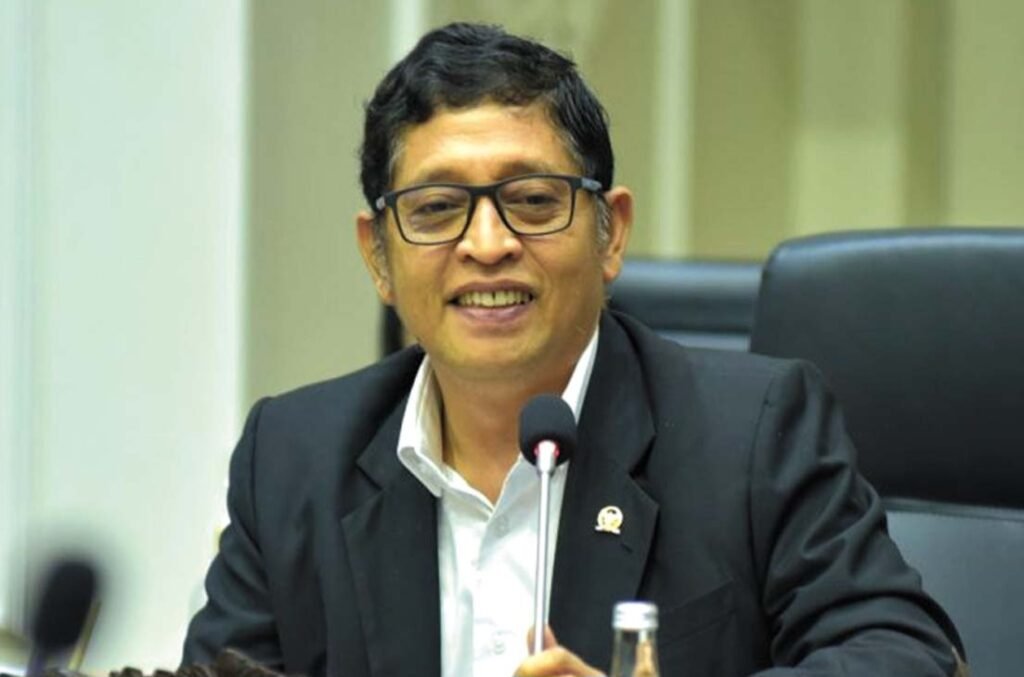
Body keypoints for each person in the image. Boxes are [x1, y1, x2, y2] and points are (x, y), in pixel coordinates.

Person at [182, 22, 965, 677]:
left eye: (531, 200)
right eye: (437, 208)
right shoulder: (291, 459)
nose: (487, 244)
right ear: (378, 256)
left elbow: (907, 655)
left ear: (611, 233)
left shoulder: (753, 434)